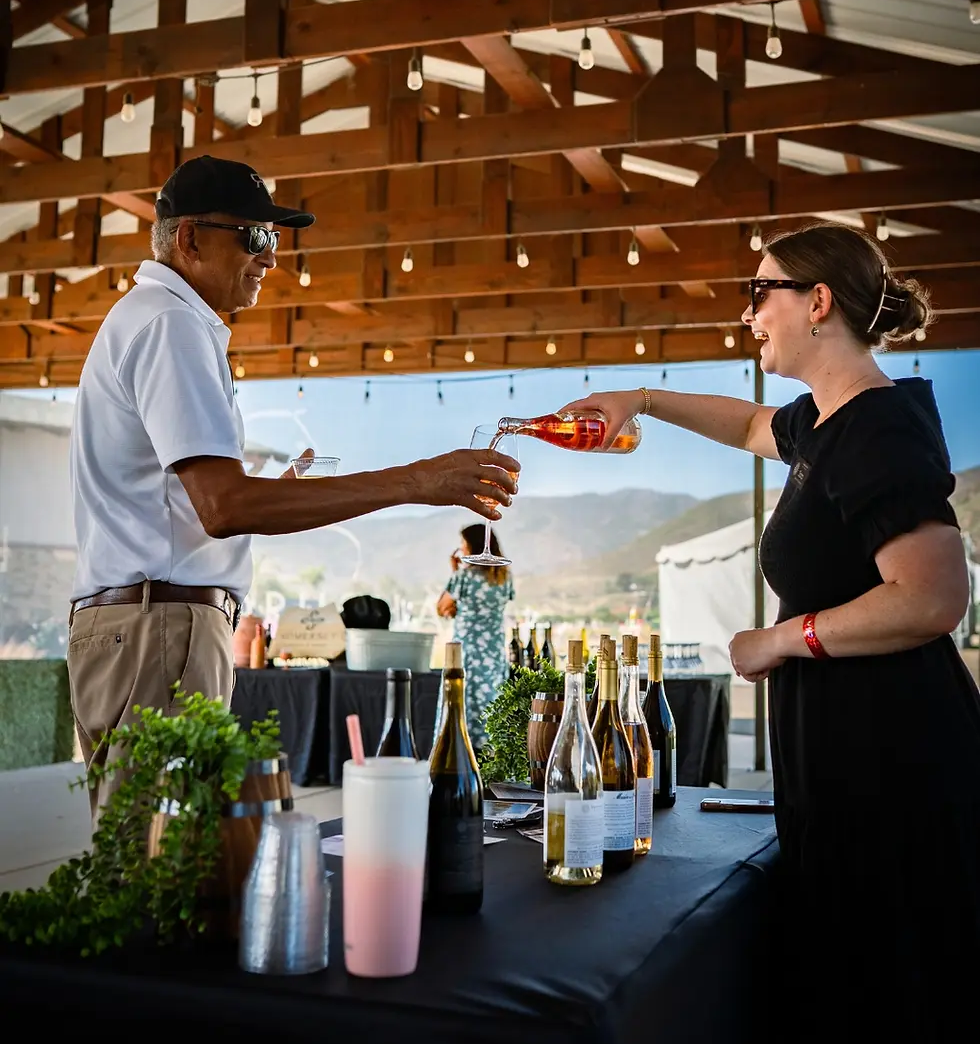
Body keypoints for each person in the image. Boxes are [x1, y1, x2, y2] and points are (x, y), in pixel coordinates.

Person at [558, 221, 980, 1042]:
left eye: (761, 293)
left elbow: (933, 596)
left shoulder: (880, 428)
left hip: (897, 769)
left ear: (817, 302)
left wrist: (784, 637)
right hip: (850, 760)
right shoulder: (824, 424)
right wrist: (638, 398)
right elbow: (750, 424)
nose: (748, 315)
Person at [68, 155, 519, 815]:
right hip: (158, 630)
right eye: (253, 237)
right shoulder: (172, 324)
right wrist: (420, 479)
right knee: (158, 875)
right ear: (190, 238)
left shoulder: (156, 321)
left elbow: (197, 505)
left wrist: (263, 493)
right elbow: (225, 506)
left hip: (152, 623)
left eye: (273, 239)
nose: (270, 257)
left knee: (165, 863)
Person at [436, 525, 514, 750]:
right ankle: (490, 758)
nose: (460, 548)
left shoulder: (464, 577)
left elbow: (442, 607)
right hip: (493, 654)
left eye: (463, 543)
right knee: (491, 704)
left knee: (461, 704)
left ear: (472, 546)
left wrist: (455, 571)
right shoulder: (504, 577)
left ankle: (458, 752)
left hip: (467, 652)